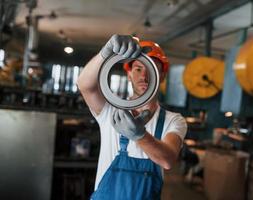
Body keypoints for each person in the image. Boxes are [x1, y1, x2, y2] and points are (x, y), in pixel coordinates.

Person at [77, 34, 187, 200]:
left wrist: (139, 136)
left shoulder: (173, 120)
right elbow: (85, 85)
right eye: (138, 69)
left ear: (162, 76)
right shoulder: (110, 111)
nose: (144, 76)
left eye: (152, 69)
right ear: (128, 74)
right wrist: (104, 54)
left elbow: (168, 160)